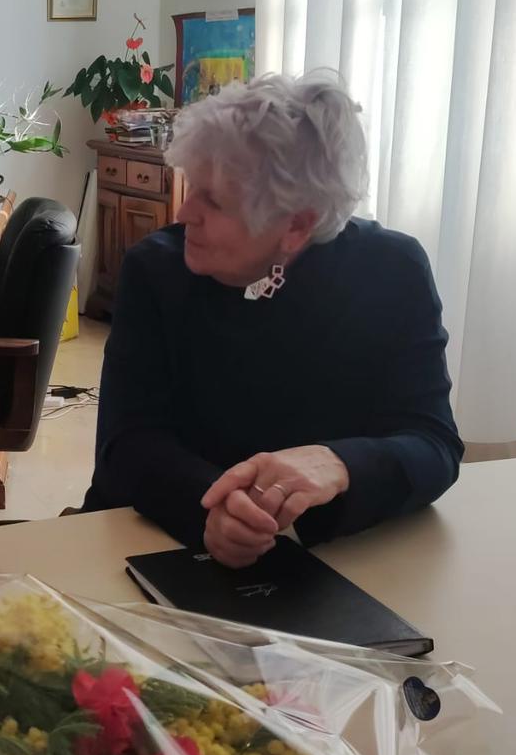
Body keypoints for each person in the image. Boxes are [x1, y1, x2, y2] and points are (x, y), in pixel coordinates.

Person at [81, 72, 463, 567]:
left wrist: (338, 463)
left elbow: (434, 445)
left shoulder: (391, 270)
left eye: (214, 201)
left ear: (297, 225)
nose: (184, 213)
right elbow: (126, 446)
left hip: (342, 563)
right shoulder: (156, 270)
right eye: (191, 185)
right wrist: (212, 510)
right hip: (152, 544)